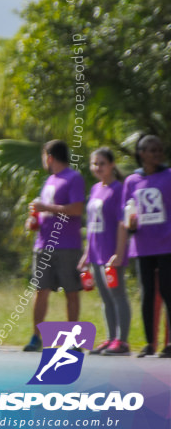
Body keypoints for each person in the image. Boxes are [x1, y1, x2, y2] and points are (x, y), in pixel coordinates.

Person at [23, 140, 85, 352]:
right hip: (43, 244)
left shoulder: (73, 178)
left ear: (49, 157)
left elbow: (77, 209)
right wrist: (35, 221)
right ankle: (35, 337)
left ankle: (73, 340)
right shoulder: (49, 180)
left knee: (71, 292)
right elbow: (44, 212)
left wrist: (45, 206)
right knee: (40, 290)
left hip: (67, 245)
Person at [117, 135, 171, 358]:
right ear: (141, 154)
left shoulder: (169, 176)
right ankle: (150, 343)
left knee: (168, 292)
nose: (156, 154)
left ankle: (169, 345)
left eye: (159, 150)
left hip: (167, 243)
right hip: (142, 245)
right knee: (148, 293)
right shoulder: (132, 181)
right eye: (151, 150)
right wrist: (130, 223)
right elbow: (125, 212)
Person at [79, 148, 130, 355]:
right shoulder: (95, 189)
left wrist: (118, 253)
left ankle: (122, 341)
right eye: (94, 164)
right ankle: (110, 338)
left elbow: (122, 222)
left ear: (111, 165)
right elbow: (91, 226)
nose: (98, 167)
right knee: (105, 298)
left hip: (111, 251)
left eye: (102, 163)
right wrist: (86, 254)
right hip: (96, 252)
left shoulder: (119, 189)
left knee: (117, 295)